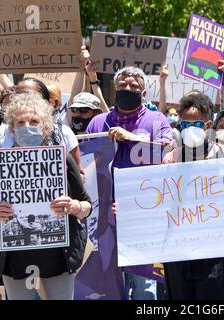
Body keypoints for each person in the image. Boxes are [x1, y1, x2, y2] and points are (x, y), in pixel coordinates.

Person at [0, 93, 92, 300]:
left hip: (58, 258)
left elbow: (87, 205)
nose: (27, 126)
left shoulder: (62, 158)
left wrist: (74, 206)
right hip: (14, 260)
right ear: (12, 129)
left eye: (34, 121)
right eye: (21, 122)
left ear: (46, 126)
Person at [86, 66, 172, 300]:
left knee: (144, 286)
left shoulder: (157, 120)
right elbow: (85, 164)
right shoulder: (98, 123)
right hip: (104, 218)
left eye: (134, 87)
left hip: (143, 217)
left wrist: (131, 138)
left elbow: (169, 153)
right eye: (123, 85)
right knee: (108, 284)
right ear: (114, 89)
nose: (128, 89)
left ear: (144, 94)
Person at [161, 92, 224, 300]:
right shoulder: (171, 158)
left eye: (196, 124)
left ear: (208, 125)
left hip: (216, 249)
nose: (190, 129)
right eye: (184, 124)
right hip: (177, 249)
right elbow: (161, 200)